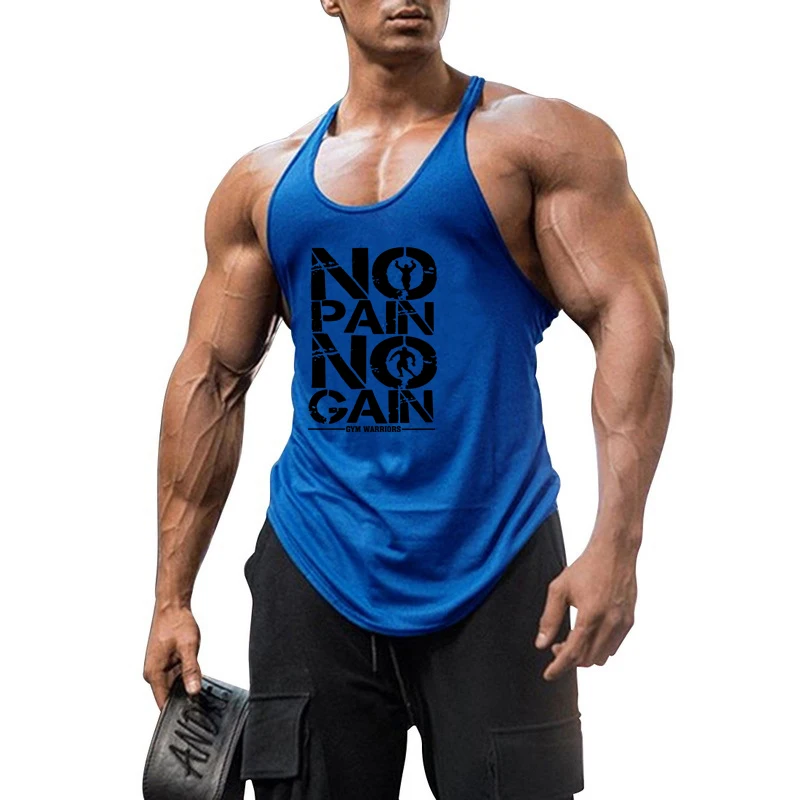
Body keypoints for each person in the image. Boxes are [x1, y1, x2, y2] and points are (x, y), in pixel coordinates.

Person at [143, 1, 675, 798]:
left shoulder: (538, 142)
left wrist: (617, 544)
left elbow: (633, 326)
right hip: (315, 562)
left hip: (498, 562)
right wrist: (170, 598)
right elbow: (212, 379)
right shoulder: (264, 184)